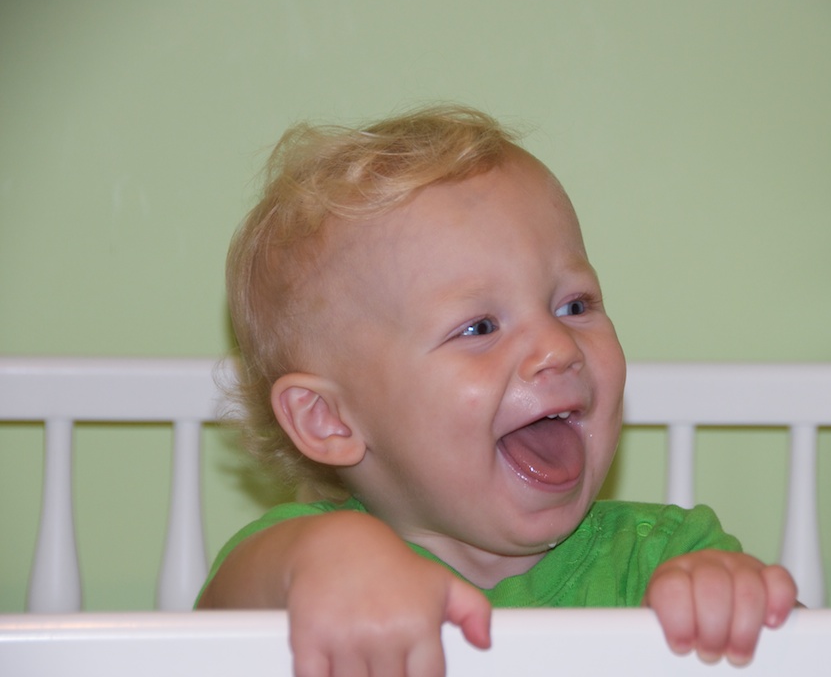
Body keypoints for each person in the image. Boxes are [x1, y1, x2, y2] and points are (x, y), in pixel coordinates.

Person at [197, 104, 797, 676]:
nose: (558, 346)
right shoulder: (298, 563)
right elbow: (210, 629)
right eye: (479, 327)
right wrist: (324, 556)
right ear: (328, 418)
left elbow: (817, 654)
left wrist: (736, 605)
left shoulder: (665, 559)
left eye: (574, 305)